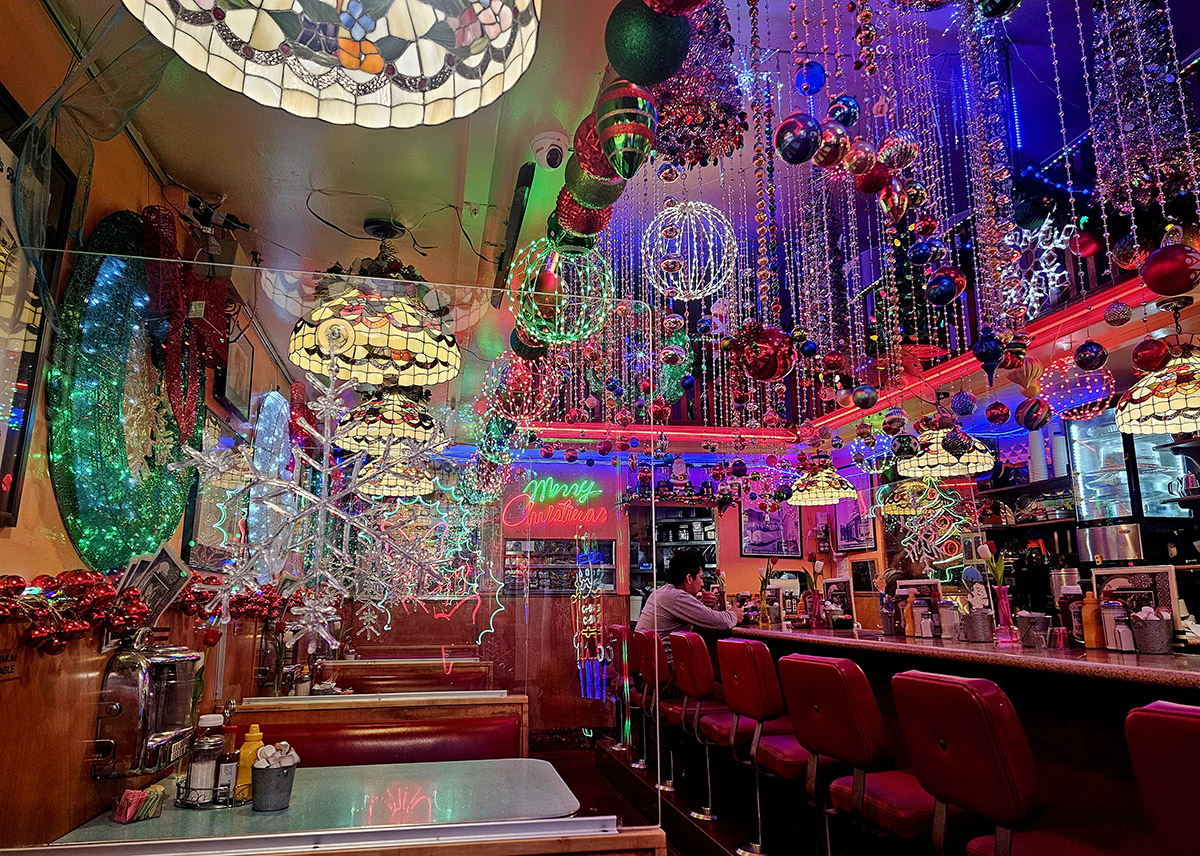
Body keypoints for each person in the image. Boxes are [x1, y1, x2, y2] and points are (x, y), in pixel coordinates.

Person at [635, 548, 744, 664]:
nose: (702, 584)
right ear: (689, 578)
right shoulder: (677, 597)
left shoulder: (662, 592)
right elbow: (723, 623)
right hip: (669, 671)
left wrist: (700, 605)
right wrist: (734, 614)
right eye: (701, 578)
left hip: (650, 670)